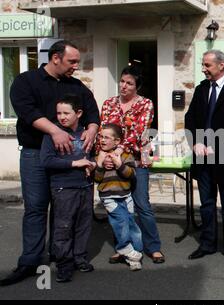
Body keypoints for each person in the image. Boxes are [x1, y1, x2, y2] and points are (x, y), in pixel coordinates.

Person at [0, 40, 100, 286]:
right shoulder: (26, 81)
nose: (76, 66)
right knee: (35, 208)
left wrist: (92, 130)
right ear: (55, 58)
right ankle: (30, 261)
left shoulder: (77, 86)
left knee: (64, 210)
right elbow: (26, 110)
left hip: (70, 158)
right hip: (35, 154)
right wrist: (55, 131)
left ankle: (62, 256)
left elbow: (92, 112)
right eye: (72, 61)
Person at [184, 50, 224, 265]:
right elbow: (190, 117)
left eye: (207, 65)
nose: (204, 69)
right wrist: (195, 142)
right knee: (207, 203)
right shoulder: (202, 88)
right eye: (203, 64)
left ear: (221, 65)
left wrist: (217, 147)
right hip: (202, 158)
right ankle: (207, 244)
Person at [99, 65, 165, 264]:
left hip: (136, 160)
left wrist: (119, 151)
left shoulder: (145, 103)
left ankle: (153, 247)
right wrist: (104, 156)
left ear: (137, 86)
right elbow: (105, 131)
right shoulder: (109, 103)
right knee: (119, 207)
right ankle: (123, 247)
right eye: (122, 81)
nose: (124, 86)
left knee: (142, 204)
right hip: (113, 161)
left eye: (129, 83)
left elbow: (138, 131)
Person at [40, 95, 96, 282]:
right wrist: (75, 163)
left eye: (66, 113)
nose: (61, 117)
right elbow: (46, 160)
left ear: (78, 113)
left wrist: (92, 164)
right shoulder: (52, 135)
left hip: (85, 186)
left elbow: (92, 156)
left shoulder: (86, 134)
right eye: (58, 113)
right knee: (63, 227)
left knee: (83, 225)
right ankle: (64, 264)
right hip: (63, 188)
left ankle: (79, 258)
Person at [94, 123, 143, 271]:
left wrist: (119, 164)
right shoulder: (99, 156)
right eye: (100, 136)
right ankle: (127, 250)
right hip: (109, 197)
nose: (102, 140)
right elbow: (96, 178)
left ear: (117, 142)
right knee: (120, 223)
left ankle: (136, 254)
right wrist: (101, 164)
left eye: (106, 137)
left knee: (131, 224)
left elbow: (131, 174)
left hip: (125, 195)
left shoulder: (125, 155)